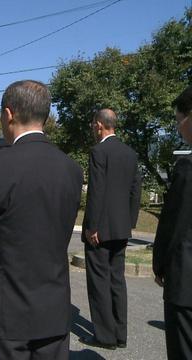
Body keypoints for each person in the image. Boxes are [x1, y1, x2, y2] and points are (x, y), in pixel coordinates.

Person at [0, 80, 83, 360]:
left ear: (9, 113)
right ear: (46, 116)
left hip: (3, 309)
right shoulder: (71, 170)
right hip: (53, 308)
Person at [80, 109, 141, 350]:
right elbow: (135, 190)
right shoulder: (130, 153)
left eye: (93, 125)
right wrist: (130, 222)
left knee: (99, 281)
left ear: (98, 125)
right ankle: (120, 333)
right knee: (117, 280)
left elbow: (97, 190)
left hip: (100, 230)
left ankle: (105, 336)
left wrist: (92, 226)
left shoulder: (98, 152)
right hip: (121, 228)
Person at [153, 85, 192, 359]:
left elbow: (175, 227)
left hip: (186, 285)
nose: (179, 129)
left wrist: (160, 264)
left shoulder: (187, 168)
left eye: (179, 121)